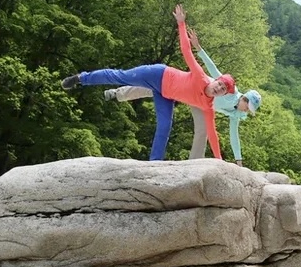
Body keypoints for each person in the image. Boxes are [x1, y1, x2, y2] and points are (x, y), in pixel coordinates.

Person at [60, 4, 232, 161]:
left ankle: (154, 163)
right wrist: (181, 24)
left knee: (165, 126)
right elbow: (186, 50)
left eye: (223, 89)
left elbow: (212, 133)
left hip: (165, 94)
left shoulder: (208, 107)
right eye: (220, 84)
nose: (219, 88)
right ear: (216, 80)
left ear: (223, 94)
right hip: (157, 75)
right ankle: (81, 78)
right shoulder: (200, 76)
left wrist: (219, 160)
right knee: (120, 76)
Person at [105, 30, 261, 166]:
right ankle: (118, 93)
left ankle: (193, 164)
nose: (246, 111)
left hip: (203, 105)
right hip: (197, 87)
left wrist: (238, 160)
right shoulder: (230, 90)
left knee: (203, 131)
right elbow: (213, 69)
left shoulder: (237, 115)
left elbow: (234, 136)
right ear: (245, 100)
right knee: (156, 88)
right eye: (247, 108)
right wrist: (198, 48)